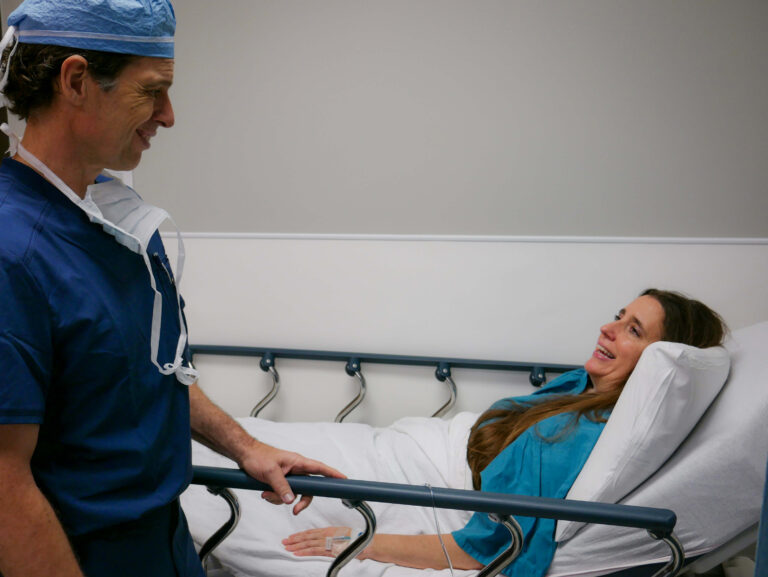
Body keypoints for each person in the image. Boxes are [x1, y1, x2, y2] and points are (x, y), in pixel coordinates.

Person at [0, 2, 342, 577]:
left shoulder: (120, 223)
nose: (169, 115)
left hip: (165, 542)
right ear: (76, 81)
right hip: (78, 552)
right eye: (152, 91)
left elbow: (155, 373)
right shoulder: (15, 253)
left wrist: (246, 447)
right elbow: (5, 487)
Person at [272, 289, 726, 577]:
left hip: (435, 472)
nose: (606, 328)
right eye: (618, 315)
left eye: (632, 329)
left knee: (255, 475)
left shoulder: (570, 438)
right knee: (275, 450)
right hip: (426, 449)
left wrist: (363, 540)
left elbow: (487, 545)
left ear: (657, 361)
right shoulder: (584, 387)